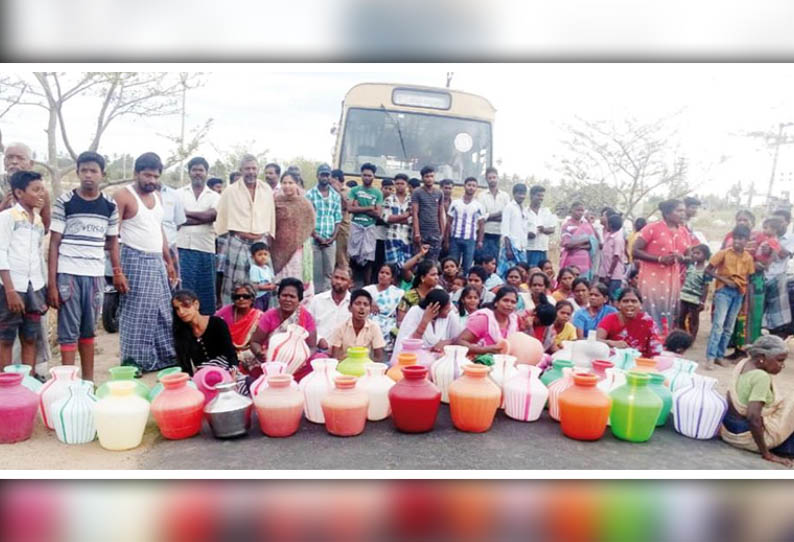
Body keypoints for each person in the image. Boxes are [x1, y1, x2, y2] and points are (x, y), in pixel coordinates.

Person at [48, 152, 122, 382]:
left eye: (93, 170)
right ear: (78, 172)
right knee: (68, 332)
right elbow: (54, 243)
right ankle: (67, 385)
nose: (88, 175)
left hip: (95, 276)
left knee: (88, 331)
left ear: (102, 174)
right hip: (68, 275)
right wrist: (52, 284)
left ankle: (88, 384)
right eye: (84, 170)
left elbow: (112, 243)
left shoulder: (109, 206)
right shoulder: (65, 201)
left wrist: (117, 272)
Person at [114, 153, 178, 374]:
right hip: (134, 258)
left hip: (156, 260)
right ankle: (134, 362)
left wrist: (168, 261)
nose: (151, 180)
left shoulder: (158, 196)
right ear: (136, 173)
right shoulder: (123, 195)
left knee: (163, 311)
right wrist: (117, 271)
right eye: (147, 175)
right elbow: (114, 235)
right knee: (136, 313)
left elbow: (158, 229)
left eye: (155, 176)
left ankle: (164, 359)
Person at [1, 144, 51, 375]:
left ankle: (28, 382)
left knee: (31, 335)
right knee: (6, 337)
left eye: (42, 190)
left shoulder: (37, 220)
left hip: (34, 286)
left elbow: (36, 252)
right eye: (36, 190)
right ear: (19, 193)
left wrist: (42, 288)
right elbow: (1, 252)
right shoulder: (7, 217)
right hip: (12, 286)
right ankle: (6, 385)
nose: (41, 194)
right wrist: (10, 290)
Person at [721, 335, 794, 467]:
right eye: (779, 360)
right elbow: (753, 417)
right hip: (744, 435)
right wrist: (767, 454)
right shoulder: (761, 377)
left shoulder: (744, 363)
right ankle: (782, 450)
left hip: (729, 426)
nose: (782, 366)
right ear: (762, 358)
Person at [214, 154, 276, 305]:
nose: (251, 172)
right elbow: (221, 216)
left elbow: (271, 213)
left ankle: (263, 320)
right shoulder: (230, 191)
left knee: (264, 282)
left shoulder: (266, 189)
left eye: (254, 168)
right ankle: (234, 320)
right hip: (238, 243)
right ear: (241, 170)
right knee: (237, 285)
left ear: (258, 170)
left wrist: (269, 236)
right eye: (247, 168)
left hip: (260, 243)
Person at [631, 199, 692, 330]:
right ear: (667, 213)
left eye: (683, 210)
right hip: (652, 281)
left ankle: (663, 344)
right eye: (679, 210)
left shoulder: (684, 232)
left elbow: (690, 257)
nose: (683, 213)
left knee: (669, 314)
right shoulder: (652, 228)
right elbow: (635, 251)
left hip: (672, 282)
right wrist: (659, 259)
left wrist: (682, 258)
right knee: (650, 312)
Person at [705, 224, 755, 370]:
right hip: (724, 291)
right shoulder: (724, 253)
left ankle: (720, 356)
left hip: (739, 293)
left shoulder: (748, 258)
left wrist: (747, 299)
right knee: (718, 325)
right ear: (732, 238)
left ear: (747, 241)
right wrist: (724, 279)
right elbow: (708, 270)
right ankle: (710, 357)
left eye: (742, 239)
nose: (738, 241)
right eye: (736, 238)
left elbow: (748, 279)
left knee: (729, 327)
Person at [250, 278, 318, 381]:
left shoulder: (306, 317)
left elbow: (312, 347)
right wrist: (261, 353)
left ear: (299, 299)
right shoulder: (269, 316)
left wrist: (300, 358)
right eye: (284, 295)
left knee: (319, 359)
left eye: (292, 297)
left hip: (298, 365)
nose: (287, 299)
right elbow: (255, 342)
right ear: (278, 297)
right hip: (272, 362)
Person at [177, 156, 220, 315]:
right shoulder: (179, 194)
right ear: (189, 172)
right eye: (194, 170)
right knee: (184, 290)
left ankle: (205, 328)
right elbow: (176, 219)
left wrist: (186, 214)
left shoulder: (214, 196)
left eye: (201, 170)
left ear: (206, 173)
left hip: (205, 248)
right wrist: (202, 217)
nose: (197, 173)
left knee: (205, 290)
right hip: (182, 247)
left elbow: (212, 216)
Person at [721, 210, 766, 359]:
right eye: (739, 219)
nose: (741, 222)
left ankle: (746, 351)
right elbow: (722, 255)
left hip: (752, 282)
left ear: (752, 223)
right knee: (733, 316)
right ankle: (735, 349)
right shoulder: (729, 236)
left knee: (749, 316)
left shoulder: (761, 238)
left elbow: (763, 263)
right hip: (731, 282)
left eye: (745, 220)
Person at [172, 289, 238, 377]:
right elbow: (185, 365)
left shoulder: (217, 323)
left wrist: (232, 372)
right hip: (202, 377)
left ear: (196, 304)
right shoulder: (181, 332)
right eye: (177, 308)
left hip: (225, 371)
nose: (181, 312)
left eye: (185, 305)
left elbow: (231, 353)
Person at [270, 172, 316, 295]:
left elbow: (310, 225)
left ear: (297, 184)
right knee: (279, 284)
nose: (287, 186)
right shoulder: (275, 201)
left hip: (297, 251)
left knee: (295, 285)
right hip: (277, 249)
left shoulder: (305, 204)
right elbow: (270, 224)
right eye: (284, 183)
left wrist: (297, 238)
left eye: (290, 183)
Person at [392, 288, 463, 363]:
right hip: (416, 357)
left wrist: (447, 342)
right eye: (446, 309)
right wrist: (425, 321)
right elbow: (410, 344)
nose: (449, 310)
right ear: (436, 308)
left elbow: (459, 338)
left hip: (440, 356)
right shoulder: (415, 312)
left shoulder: (449, 314)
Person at [306, 164, 342, 293]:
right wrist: (316, 236)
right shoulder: (310, 195)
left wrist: (332, 238)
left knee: (329, 274)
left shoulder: (335, 196)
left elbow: (338, 219)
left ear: (330, 177)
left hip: (330, 241)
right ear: (317, 176)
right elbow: (307, 219)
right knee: (315, 274)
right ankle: (314, 300)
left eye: (327, 175)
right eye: (322, 174)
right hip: (314, 240)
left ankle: (326, 298)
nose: (325, 177)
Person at [597, 287, 663, 358]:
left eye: (634, 301)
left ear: (640, 305)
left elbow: (656, 351)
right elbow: (596, 341)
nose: (630, 304)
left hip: (641, 363)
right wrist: (612, 343)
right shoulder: (610, 319)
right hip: (614, 363)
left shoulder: (648, 322)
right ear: (618, 304)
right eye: (625, 301)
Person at [455, 286, 520, 355]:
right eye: (505, 300)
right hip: (475, 362)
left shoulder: (513, 322)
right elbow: (459, 342)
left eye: (513, 302)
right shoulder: (483, 319)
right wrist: (483, 350)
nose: (509, 304)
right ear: (496, 302)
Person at [215, 282, 266, 369]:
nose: (241, 299)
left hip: (249, 354)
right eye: (237, 297)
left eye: (246, 296)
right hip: (226, 353)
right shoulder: (224, 312)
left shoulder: (259, 317)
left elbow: (262, 342)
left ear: (252, 298)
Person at [0, 142, 51, 230]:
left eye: (20, 158)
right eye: (9, 157)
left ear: (31, 164)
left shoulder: (40, 191)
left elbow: (45, 227)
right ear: (4, 162)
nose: (14, 161)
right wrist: (3, 206)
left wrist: (33, 211)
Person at [348, 163, 383, 286]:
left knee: (369, 260)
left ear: (374, 176)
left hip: (370, 228)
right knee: (351, 257)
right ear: (361, 175)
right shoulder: (354, 190)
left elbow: (378, 214)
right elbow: (350, 209)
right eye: (365, 175)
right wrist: (369, 208)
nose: (367, 177)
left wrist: (359, 207)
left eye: (370, 175)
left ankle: (367, 287)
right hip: (355, 225)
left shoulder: (378, 193)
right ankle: (349, 285)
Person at [330, 289, 386, 363]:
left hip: (365, 368)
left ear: (370, 310)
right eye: (357, 303)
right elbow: (334, 357)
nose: (362, 307)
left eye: (366, 304)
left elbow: (379, 358)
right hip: (343, 368)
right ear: (350, 308)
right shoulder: (340, 328)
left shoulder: (374, 327)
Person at [444, 177, 485, 274]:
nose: (471, 188)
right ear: (464, 186)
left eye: (474, 186)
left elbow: (481, 224)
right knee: (453, 265)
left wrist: (480, 241)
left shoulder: (478, 205)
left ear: (476, 188)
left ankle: (465, 286)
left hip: (470, 239)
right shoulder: (455, 203)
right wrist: (446, 240)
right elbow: (449, 222)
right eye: (469, 185)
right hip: (455, 238)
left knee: (467, 266)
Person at [307, 266, 352, 351]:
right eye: (336, 277)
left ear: (350, 283)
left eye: (343, 279)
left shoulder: (355, 303)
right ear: (331, 278)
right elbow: (307, 325)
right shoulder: (317, 300)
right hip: (319, 349)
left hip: (346, 351)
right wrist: (319, 340)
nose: (338, 281)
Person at [764, 209, 794, 333]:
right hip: (762, 276)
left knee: (777, 315)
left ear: (788, 222)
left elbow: (783, 254)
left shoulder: (791, 239)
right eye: (774, 222)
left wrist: (773, 241)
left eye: (780, 222)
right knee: (758, 312)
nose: (777, 224)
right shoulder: (765, 236)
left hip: (778, 278)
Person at [364, 263, 404, 350]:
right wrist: (370, 301)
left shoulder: (398, 293)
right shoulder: (367, 290)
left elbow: (401, 312)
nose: (383, 275)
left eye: (387, 273)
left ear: (392, 278)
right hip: (370, 322)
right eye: (381, 272)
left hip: (389, 323)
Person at [677, 243, 711, 340]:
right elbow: (685, 257)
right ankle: (682, 337)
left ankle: (692, 338)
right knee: (681, 317)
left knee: (694, 320)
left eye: (698, 253)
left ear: (705, 256)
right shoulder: (690, 266)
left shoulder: (706, 270)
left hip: (695, 298)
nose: (695, 255)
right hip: (684, 295)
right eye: (694, 253)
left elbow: (706, 287)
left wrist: (702, 301)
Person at [411, 165, 445, 262]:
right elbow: (415, 214)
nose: (429, 179)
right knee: (419, 261)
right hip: (422, 233)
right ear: (422, 178)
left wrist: (442, 233)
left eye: (431, 176)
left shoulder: (439, 193)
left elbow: (440, 214)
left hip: (435, 233)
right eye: (427, 176)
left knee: (432, 263)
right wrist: (417, 232)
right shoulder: (417, 192)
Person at [157, 179, 187, 288]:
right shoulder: (133, 194)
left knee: (172, 287)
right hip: (147, 249)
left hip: (170, 248)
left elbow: (179, 222)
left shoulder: (173, 194)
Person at [559, 201, 598, 281]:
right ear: (571, 211)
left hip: (585, 261)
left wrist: (577, 244)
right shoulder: (567, 226)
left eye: (582, 210)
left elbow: (593, 244)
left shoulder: (587, 226)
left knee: (584, 285)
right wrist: (585, 240)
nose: (580, 213)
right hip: (571, 261)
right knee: (571, 282)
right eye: (577, 210)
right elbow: (567, 244)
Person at [477, 166, 510, 258]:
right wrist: (499, 214)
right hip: (486, 234)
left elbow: (507, 216)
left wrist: (488, 216)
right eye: (490, 178)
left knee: (498, 261)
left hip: (500, 234)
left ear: (498, 178)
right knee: (484, 260)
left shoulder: (505, 196)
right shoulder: (481, 196)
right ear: (486, 179)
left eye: (494, 177)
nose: (492, 180)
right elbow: (481, 217)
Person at [382, 173, 413, 268]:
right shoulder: (389, 200)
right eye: (397, 183)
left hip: (407, 239)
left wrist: (395, 218)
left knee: (406, 268)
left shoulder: (412, 200)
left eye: (402, 183)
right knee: (393, 268)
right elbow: (386, 218)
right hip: (392, 238)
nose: (399, 186)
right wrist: (405, 215)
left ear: (407, 185)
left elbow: (412, 220)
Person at [396, 260, 439, 326]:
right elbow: (400, 321)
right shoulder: (409, 296)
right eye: (433, 275)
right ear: (422, 278)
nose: (437, 278)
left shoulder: (438, 293)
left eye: (437, 274)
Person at [499, 183, 529, 276]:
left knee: (521, 274)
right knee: (507, 273)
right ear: (514, 194)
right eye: (519, 193)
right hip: (511, 247)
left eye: (523, 194)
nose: (521, 196)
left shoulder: (524, 209)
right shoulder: (509, 207)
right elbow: (505, 230)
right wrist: (508, 249)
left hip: (521, 247)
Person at [525, 185, 557, 267]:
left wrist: (543, 230)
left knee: (542, 274)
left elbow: (552, 229)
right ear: (531, 195)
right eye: (538, 195)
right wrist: (528, 234)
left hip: (542, 248)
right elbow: (519, 230)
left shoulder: (546, 211)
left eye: (542, 196)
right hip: (529, 249)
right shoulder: (524, 212)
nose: (541, 198)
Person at [598, 213, 626, 300]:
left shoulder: (618, 239)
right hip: (604, 273)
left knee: (613, 298)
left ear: (610, 225)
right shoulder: (608, 236)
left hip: (614, 275)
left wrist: (609, 274)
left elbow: (616, 257)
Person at [249, 242, 275, 311]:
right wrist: (268, 287)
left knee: (265, 311)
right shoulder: (254, 269)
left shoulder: (267, 268)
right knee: (258, 312)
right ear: (253, 257)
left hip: (266, 295)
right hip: (258, 297)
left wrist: (272, 285)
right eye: (260, 254)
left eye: (265, 254)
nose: (263, 257)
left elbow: (270, 280)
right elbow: (255, 286)